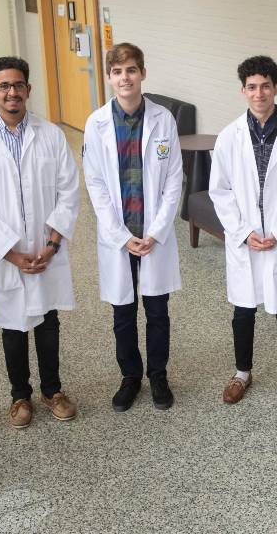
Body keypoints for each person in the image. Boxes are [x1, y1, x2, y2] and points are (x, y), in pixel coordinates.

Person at [0, 56, 80, 429]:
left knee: (48, 320)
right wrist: (10, 252)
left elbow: (69, 191)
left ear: (28, 89)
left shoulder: (51, 135)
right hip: (7, 256)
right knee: (13, 325)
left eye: (19, 85)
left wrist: (52, 244)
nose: (12, 92)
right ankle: (19, 397)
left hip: (46, 250)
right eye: (4, 86)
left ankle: (53, 390)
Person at [209, 55, 277, 407]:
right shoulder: (229, 137)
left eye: (266, 86)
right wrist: (242, 232)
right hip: (245, 242)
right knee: (243, 310)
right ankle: (242, 372)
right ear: (243, 90)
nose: (259, 93)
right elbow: (220, 190)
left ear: (276, 88)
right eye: (252, 87)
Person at [83, 43, 183, 412]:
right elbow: (94, 183)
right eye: (117, 71)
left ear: (142, 73)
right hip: (118, 236)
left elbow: (174, 180)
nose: (125, 77)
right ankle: (130, 377)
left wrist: (155, 231)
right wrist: (120, 235)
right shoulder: (96, 124)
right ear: (109, 78)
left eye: (131, 70)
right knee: (122, 312)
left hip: (153, 234)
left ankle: (158, 376)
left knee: (157, 311)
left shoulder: (163, 119)